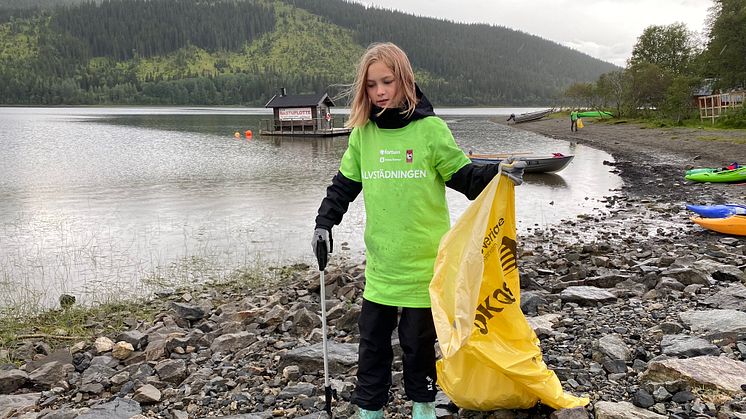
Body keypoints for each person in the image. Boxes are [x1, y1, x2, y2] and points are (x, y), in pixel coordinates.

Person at [311, 42, 525, 419]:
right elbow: (343, 186)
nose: (379, 92)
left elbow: (465, 178)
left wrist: (498, 172)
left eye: (387, 82)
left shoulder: (431, 131)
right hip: (382, 268)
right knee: (372, 347)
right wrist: (323, 223)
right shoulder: (363, 135)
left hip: (426, 268)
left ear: (404, 81)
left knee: (418, 347)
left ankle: (423, 408)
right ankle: (369, 411)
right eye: (372, 85)